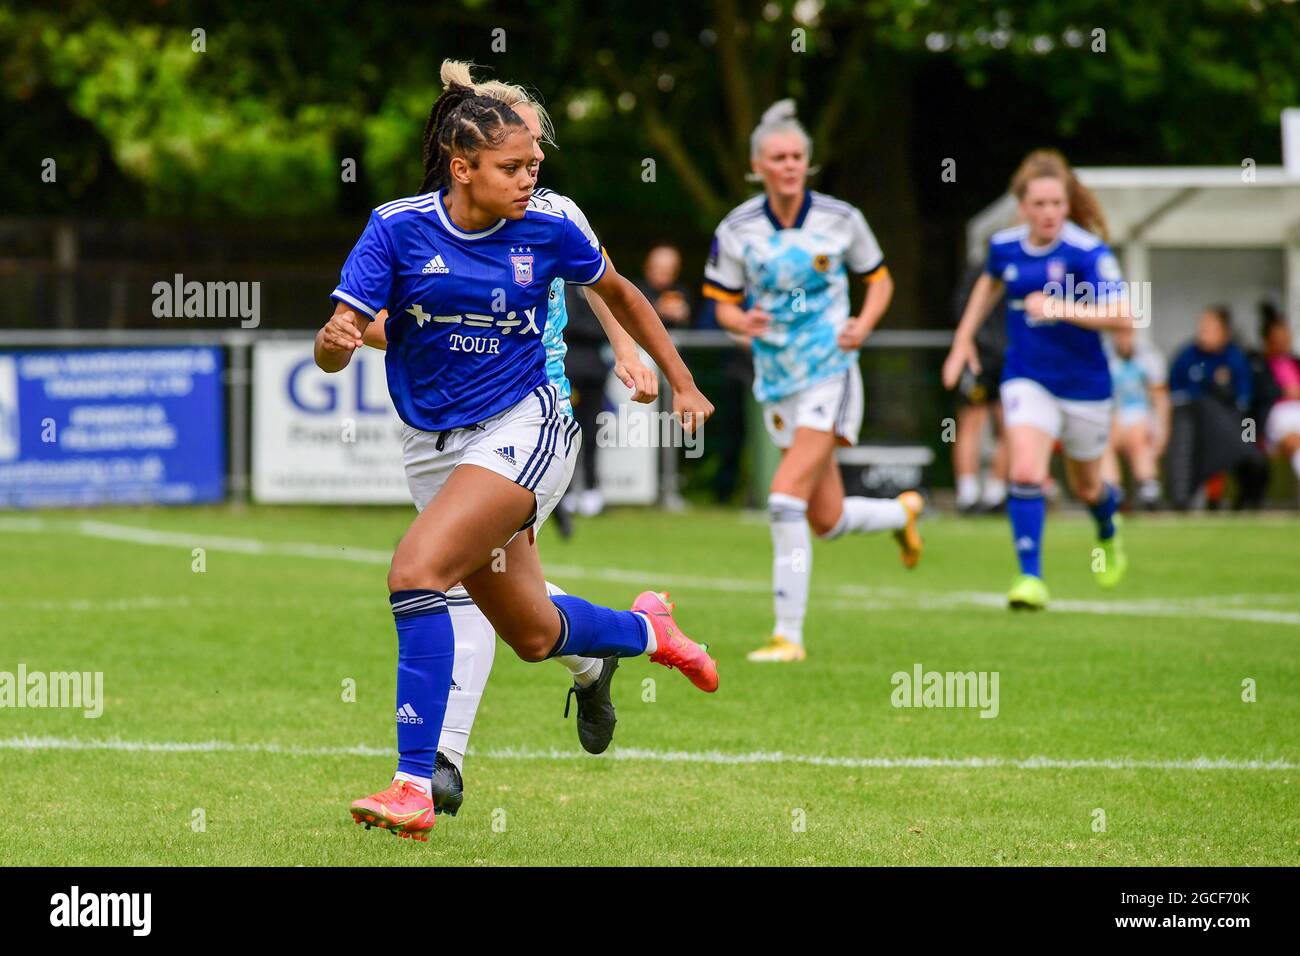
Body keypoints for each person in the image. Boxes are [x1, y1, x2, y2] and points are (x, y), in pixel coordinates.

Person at [317, 83, 718, 842]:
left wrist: (682, 381)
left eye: (535, 162)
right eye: (513, 165)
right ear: (461, 166)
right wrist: (335, 342)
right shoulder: (395, 229)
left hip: (527, 427)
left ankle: (417, 780)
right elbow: (339, 342)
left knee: (416, 572)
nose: (530, 176)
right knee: (533, 634)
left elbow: (623, 293)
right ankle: (646, 633)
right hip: (430, 447)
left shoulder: (549, 227)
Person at [703, 99, 923, 664]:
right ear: (758, 165)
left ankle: (787, 636)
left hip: (831, 372)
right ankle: (902, 513)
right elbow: (721, 304)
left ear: (808, 162)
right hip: (778, 381)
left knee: (782, 498)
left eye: (798, 155)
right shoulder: (737, 230)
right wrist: (740, 323)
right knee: (824, 518)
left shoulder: (841, 218)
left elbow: (879, 279)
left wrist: (864, 324)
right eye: (778, 157)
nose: (790, 165)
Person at [942, 148, 1133, 611]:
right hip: (1027, 377)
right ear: (1021, 206)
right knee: (1025, 470)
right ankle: (1030, 577)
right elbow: (990, 283)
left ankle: (1107, 528)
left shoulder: (1087, 253)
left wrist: (1060, 308)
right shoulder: (1005, 247)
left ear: (1068, 204)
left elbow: (1125, 315)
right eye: (1039, 204)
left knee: (1088, 488)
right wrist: (962, 339)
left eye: (1057, 204)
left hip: (1085, 385)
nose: (1048, 213)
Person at [1165, 306, 1265, 510]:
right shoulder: (1186, 356)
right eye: (1201, 328)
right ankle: (1189, 500)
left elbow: (1244, 402)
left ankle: (1244, 503)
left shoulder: (1235, 358)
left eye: (1209, 329)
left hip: (1233, 423)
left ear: (1224, 332)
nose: (1203, 333)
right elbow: (1176, 396)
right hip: (1193, 426)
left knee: (1252, 455)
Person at [950, 261, 1009, 513]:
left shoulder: (1022, 272)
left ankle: (991, 492)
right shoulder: (979, 273)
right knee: (971, 423)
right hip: (981, 358)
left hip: (1006, 358)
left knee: (1010, 425)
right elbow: (962, 312)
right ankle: (971, 492)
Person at [1102, 325, 1170, 509]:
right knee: (1105, 441)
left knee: (1138, 437)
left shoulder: (1149, 357)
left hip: (1139, 414)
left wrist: (1161, 430)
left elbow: (1159, 398)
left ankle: (1148, 488)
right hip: (1110, 413)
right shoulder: (1103, 356)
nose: (1122, 338)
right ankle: (1113, 490)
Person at [1252, 302, 1300, 501]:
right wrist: (1284, 391)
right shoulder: (1259, 365)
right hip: (1277, 416)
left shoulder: (1296, 362)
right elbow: (1257, 397)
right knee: (1295, 441)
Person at [635, 244, 693, 328]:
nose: (663, 275)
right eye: (659, 269)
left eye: (669, 270)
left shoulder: (682, 292)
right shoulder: (635, 290)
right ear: (647, 267)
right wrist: (656, 310)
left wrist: (684, 315)